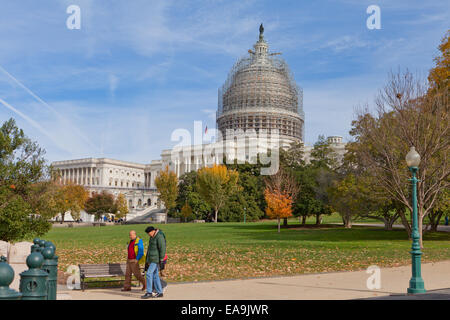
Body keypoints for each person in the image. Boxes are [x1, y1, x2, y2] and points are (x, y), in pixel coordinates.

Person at [141, 226, 166, 299]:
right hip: (151, 259)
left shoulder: (159, 237)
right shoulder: (152, 237)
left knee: (148, 274)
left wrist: (161, 259)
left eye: (149, 233)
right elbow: (150, 249)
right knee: (155, 276)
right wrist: (147, 260)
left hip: (156, 259)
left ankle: (149, 292)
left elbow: (163, 248)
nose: (148, 235)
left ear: (152, 231)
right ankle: (160, 292)